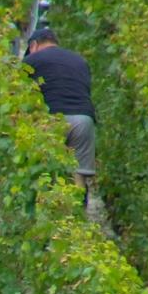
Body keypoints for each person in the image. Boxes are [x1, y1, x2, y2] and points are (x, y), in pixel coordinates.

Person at [23, 28, 96, 196]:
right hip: (83, 120)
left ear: (33, 45)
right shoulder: (80, 61)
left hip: (51, 120)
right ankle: (78, 216)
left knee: (46, 173)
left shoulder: (31, 60)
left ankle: (52, 214)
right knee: (77, 176)